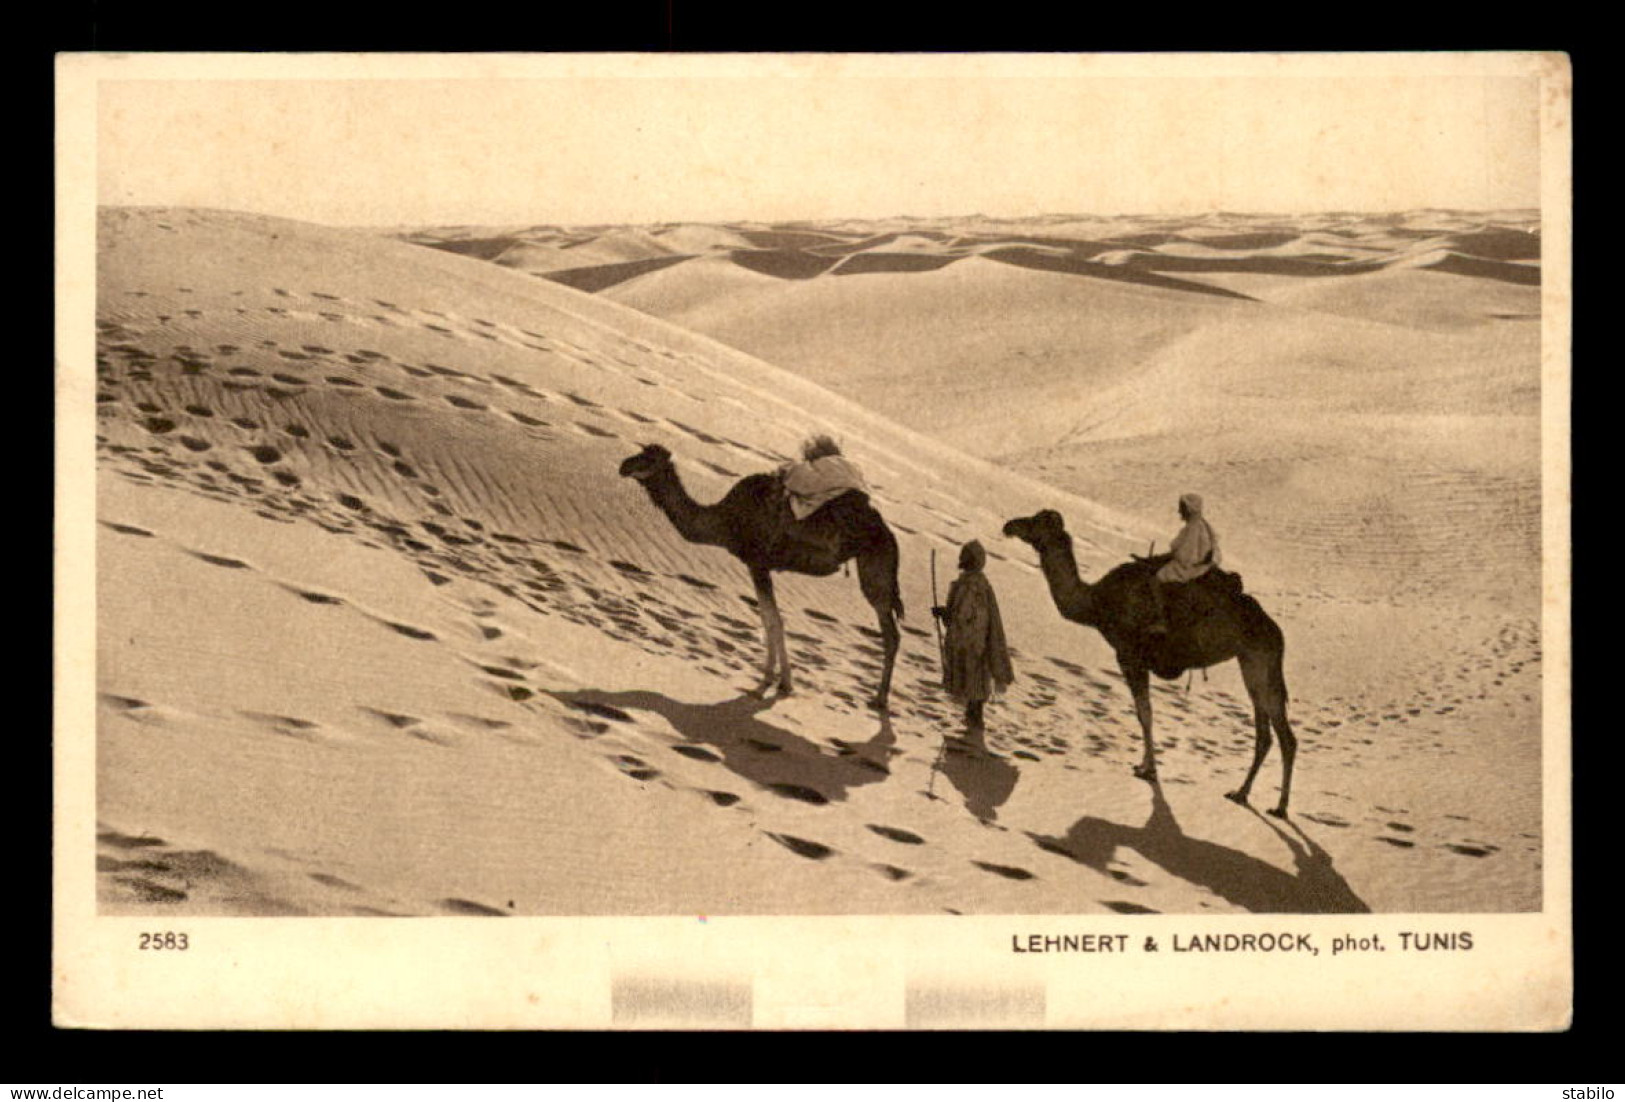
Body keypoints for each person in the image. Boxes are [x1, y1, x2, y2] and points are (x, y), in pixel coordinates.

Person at [932, 540, 1015, 732]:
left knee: (975, 692)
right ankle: (973, 730)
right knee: (973, 693)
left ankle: (975, 732)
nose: (961, 559)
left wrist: (946, 614)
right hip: (971, 647)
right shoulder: (971, 584)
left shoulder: (974, 587)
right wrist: (946, 613)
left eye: (965, 557)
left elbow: (967, 617)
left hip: (973, 649)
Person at [1148, 492, 1221, 634]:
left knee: (1155, 580)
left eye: (1182, 507)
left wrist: (1159, 559)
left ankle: (1162, 620)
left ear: (1188, 508)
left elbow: (1184, 556)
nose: (1179, 511)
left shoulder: (1193, 528)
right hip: (1203, 566)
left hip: (1192, 568)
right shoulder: (1202, 525)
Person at [781, 434, 870, 520]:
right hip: (857, 504)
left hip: (834, 508)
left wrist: (786, 470)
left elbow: (796, 481)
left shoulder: (819, 466)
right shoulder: (851, 467)